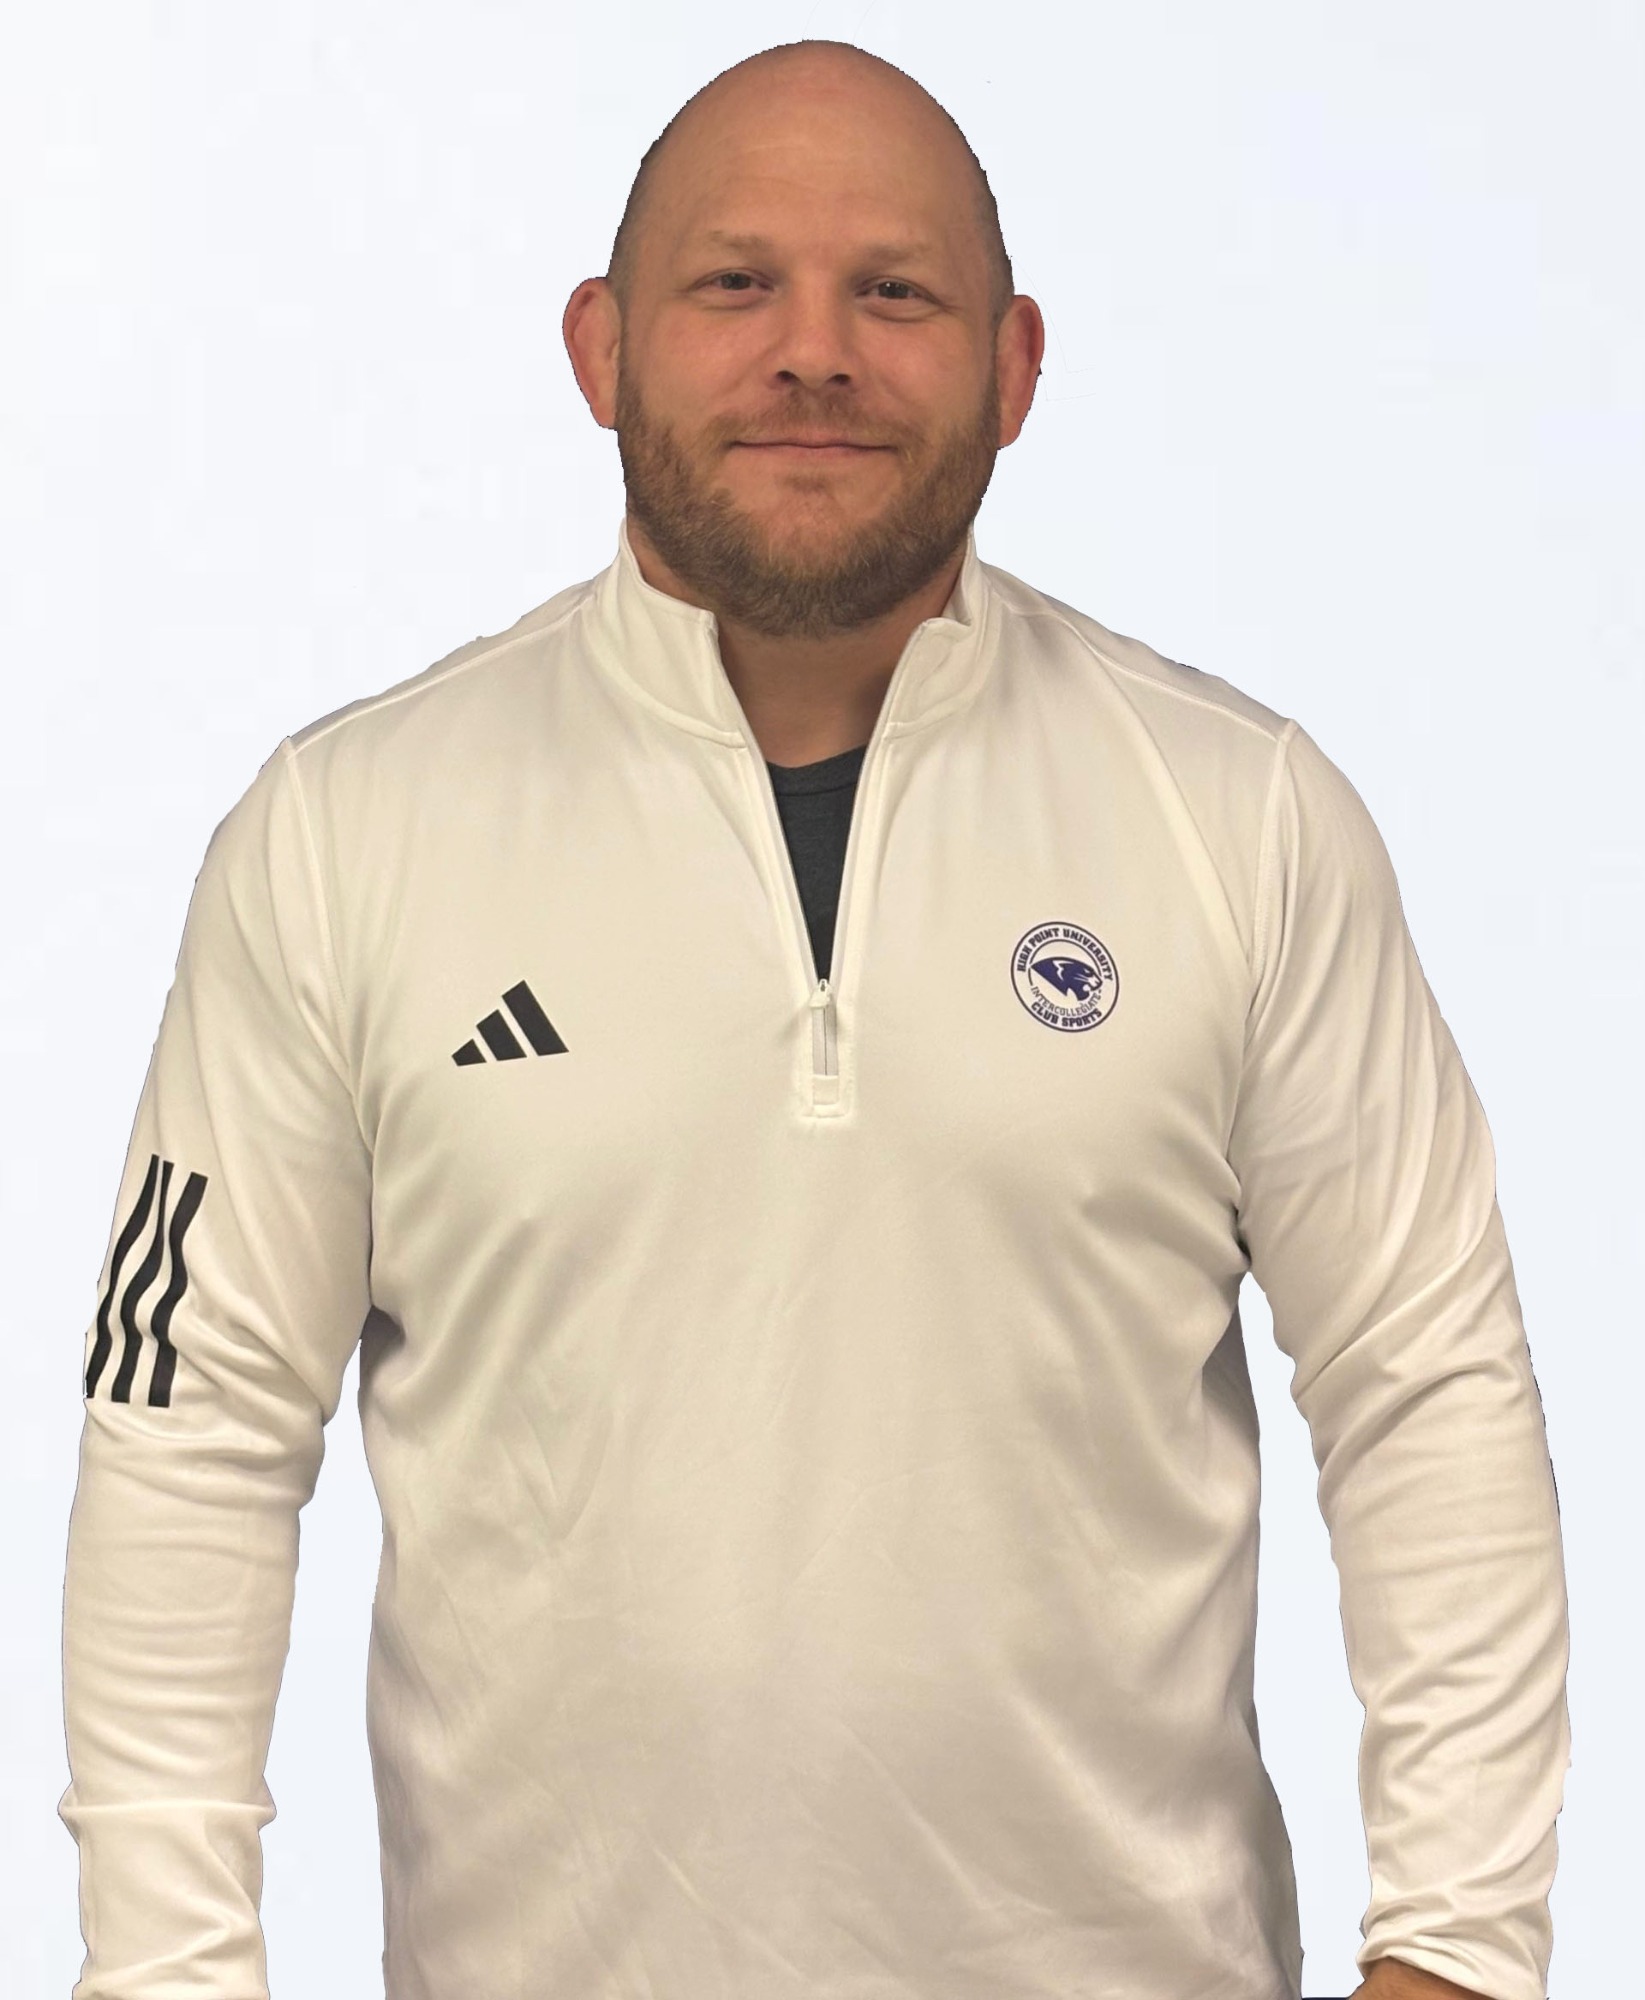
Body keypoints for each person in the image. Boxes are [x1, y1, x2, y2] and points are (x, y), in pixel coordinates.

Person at [58, 37, 1570, 2000]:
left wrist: (1458, 1952)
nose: (814, 353)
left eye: (895, 292)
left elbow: (1426, 1387)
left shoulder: (1241, 821)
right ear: (601, 349)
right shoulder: (346, 836)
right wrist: (163, 1976)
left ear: (1014, 367)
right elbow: (186, 1430)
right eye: (735, 283)